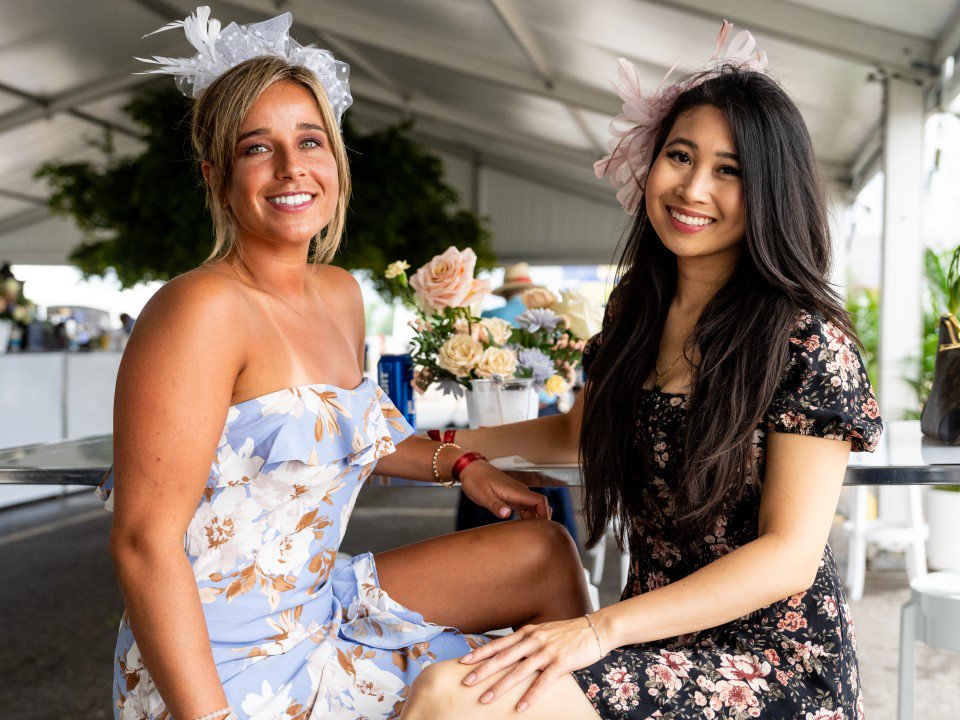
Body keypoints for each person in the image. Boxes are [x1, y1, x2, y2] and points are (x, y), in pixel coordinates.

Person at [99, 9, 590, 720]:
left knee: (543, 553)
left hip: (320, 601)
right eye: (256, 149)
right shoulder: (197, 310)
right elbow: (142, 544)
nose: (292, 168)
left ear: (335, 158)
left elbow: (357, 429)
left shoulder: (339, 292)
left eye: (309, 141)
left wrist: (460, 464)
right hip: (221, 655)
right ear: (216, 177)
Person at [401, 22, 881, 720]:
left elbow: (788, 558)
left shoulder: (807, 340)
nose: (692, 188)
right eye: (679, 156)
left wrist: (596, 630)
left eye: (730, 170)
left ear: (772, 192)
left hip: (772, 667)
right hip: (652, 643)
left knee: (454, 696)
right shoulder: (636, 315)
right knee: (446, 667)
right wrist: (427, 451)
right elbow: (576, 435)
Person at [452, 263, 580, 542]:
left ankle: (478, 546)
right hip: (541, 413)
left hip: (493, 413)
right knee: (547, 485)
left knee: (481, 475)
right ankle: (557, 546)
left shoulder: (488, 319)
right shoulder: (546, 319)